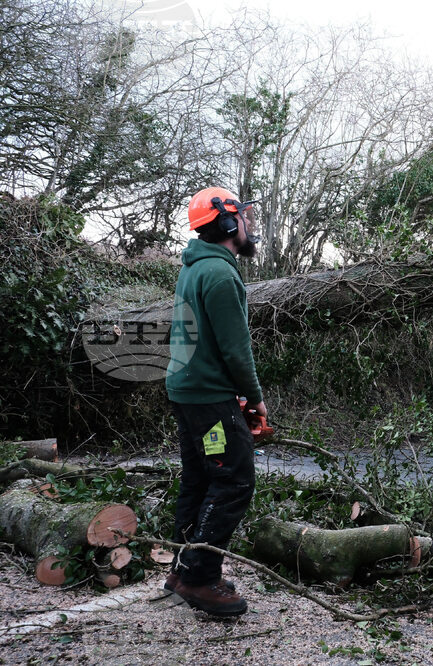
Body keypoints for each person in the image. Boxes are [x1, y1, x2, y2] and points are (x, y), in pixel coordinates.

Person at [164, 187, 266, 617]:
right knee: (234, 480)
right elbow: (236, 349)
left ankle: (181, 568)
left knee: (200, 479)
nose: (248, 224)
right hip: (208, 399)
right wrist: (256, 398)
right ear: (228, 223)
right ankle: (200, 578)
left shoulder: (194, 268)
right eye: (242, 217)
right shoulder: (221, 275)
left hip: (189, 392)